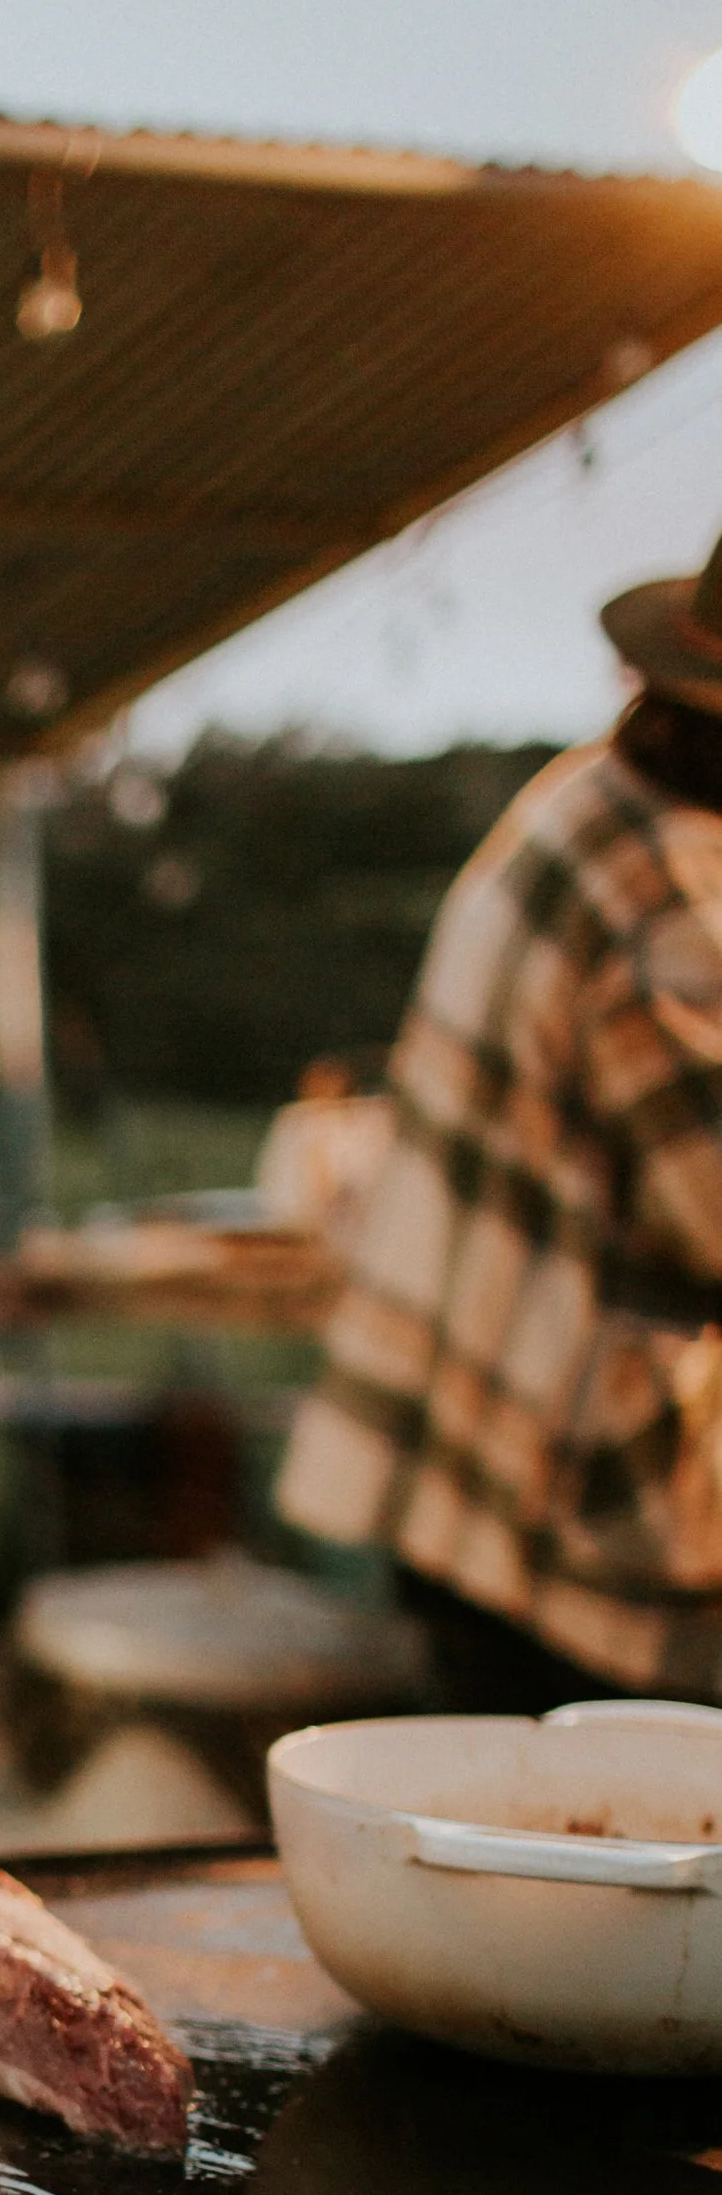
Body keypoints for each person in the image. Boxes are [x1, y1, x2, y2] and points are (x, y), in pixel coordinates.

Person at [280, 525, 722, 1716]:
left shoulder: (583, 794)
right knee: (588, 1858)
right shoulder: (674, 909)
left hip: (475, 1447)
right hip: (568, 1489)